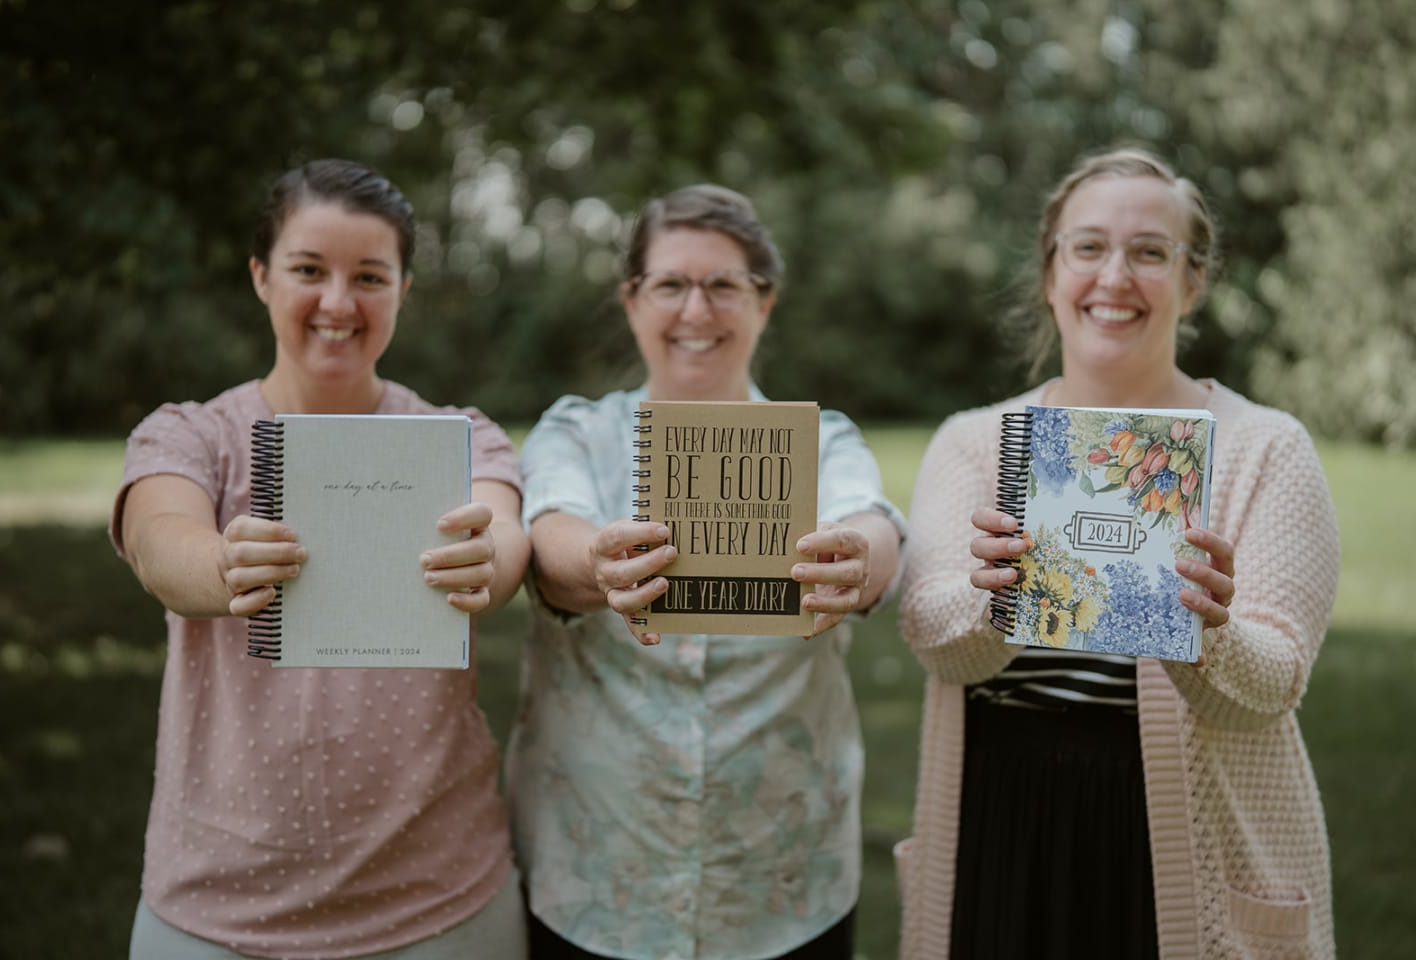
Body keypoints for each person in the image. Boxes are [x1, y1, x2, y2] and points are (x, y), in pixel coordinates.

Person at [897, 146, 1339, 959]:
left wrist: (1209, 628)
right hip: (1000, 840)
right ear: (1050, 272)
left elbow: (1272, 686)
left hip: (1184, 849)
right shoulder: (974, 442)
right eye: (1089, 247)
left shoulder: (1266, 448)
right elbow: (936, 642)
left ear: (1193, 280)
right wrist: (995, 592)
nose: (1114, 277)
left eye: (1149, 252)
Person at [110, 159, 531, 959]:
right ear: (262, 278)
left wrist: (490, 558)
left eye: (370, 276)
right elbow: (159, 539)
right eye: (309, 270)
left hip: (440, 902)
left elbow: (505, 535)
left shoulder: (460, 438)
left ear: (403, 290)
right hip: (215, 903)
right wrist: (222, 563)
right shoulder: (189, 434)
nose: (338, 303)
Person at [505, 184, 905, 960]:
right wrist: (595, 563)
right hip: (598, 873)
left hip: (785, 881)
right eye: (671, 285)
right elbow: (550, 535)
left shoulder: (823, 441)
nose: (697, 311)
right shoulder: (577, 432)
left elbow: (875, 524)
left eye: (724, 285)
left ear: (764, 301)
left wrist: (860, 559)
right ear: (631, 300)